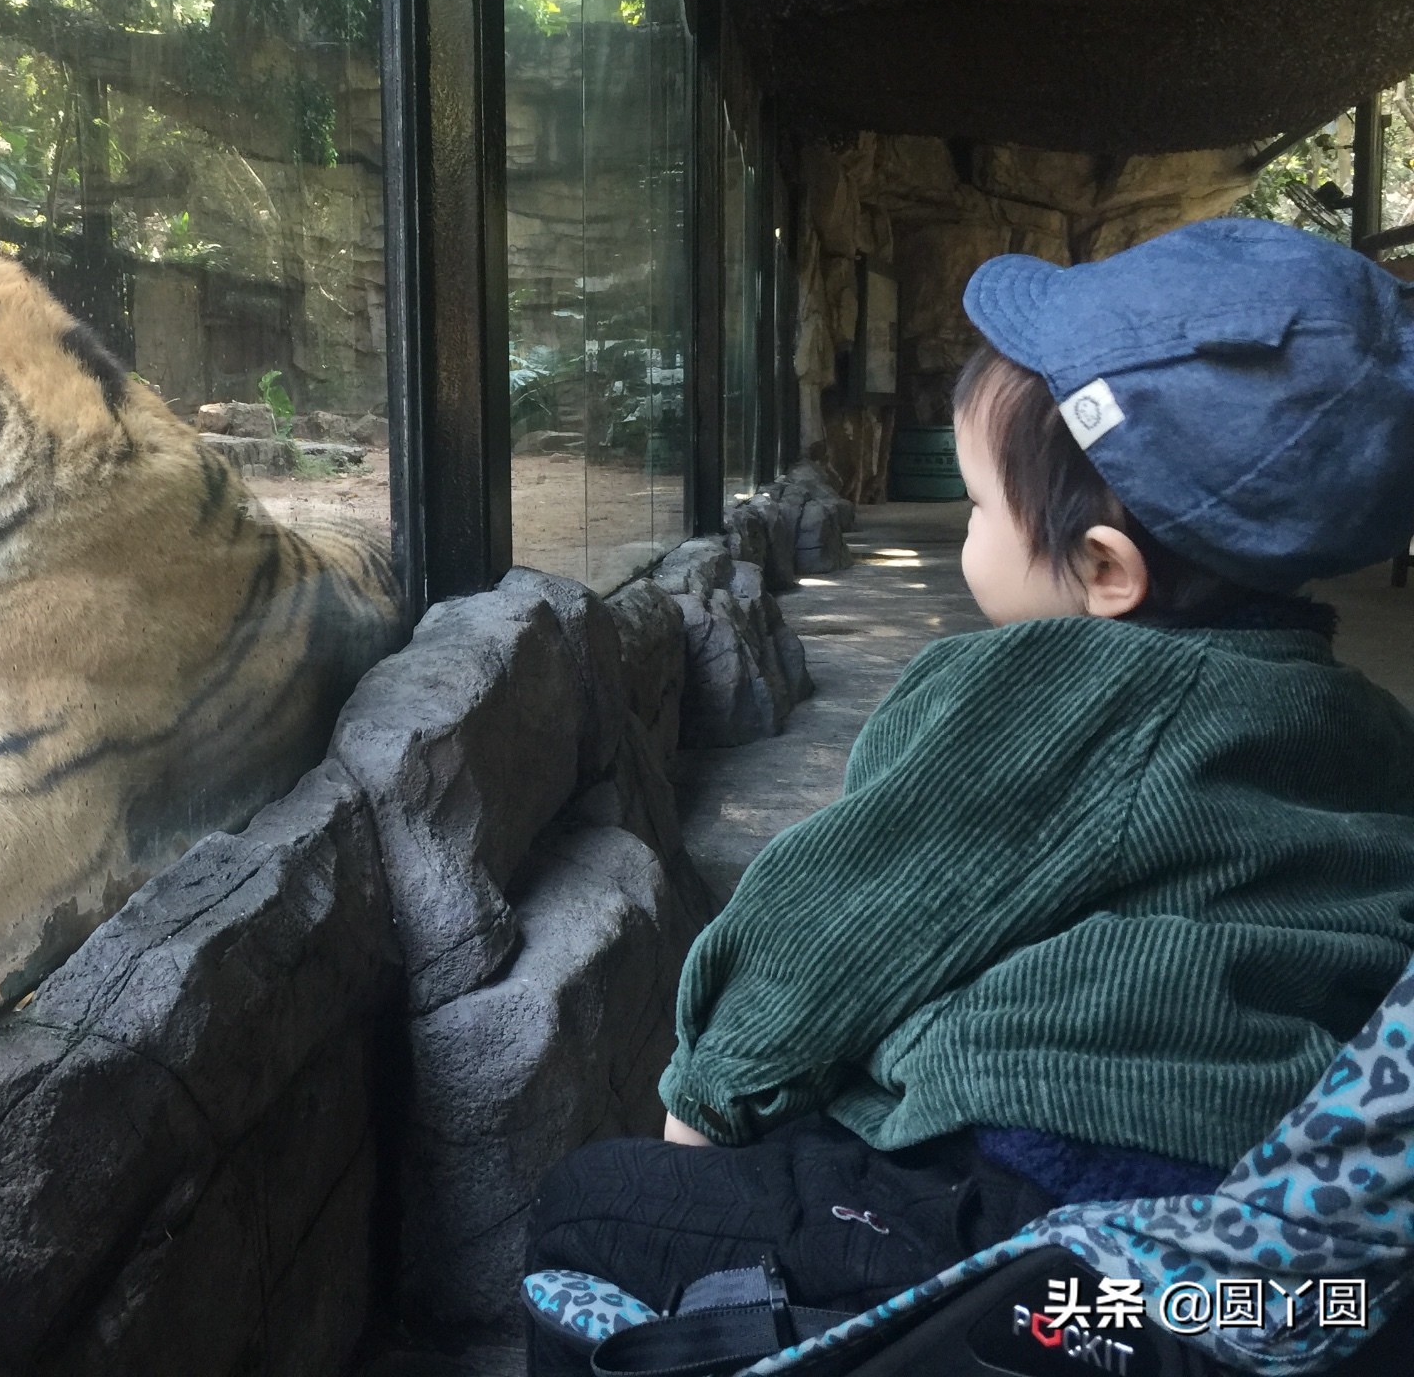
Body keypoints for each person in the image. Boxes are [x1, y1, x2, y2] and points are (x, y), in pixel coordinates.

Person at [525, 217, 1414, 1366]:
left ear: (1104, 570)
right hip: (1249, 1251)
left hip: (1044, 1229)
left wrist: (706, 1103)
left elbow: (835, 923)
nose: (968, 531)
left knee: (592, 1204)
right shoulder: (1361, 724)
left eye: (978, 509)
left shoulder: (1049, 689)